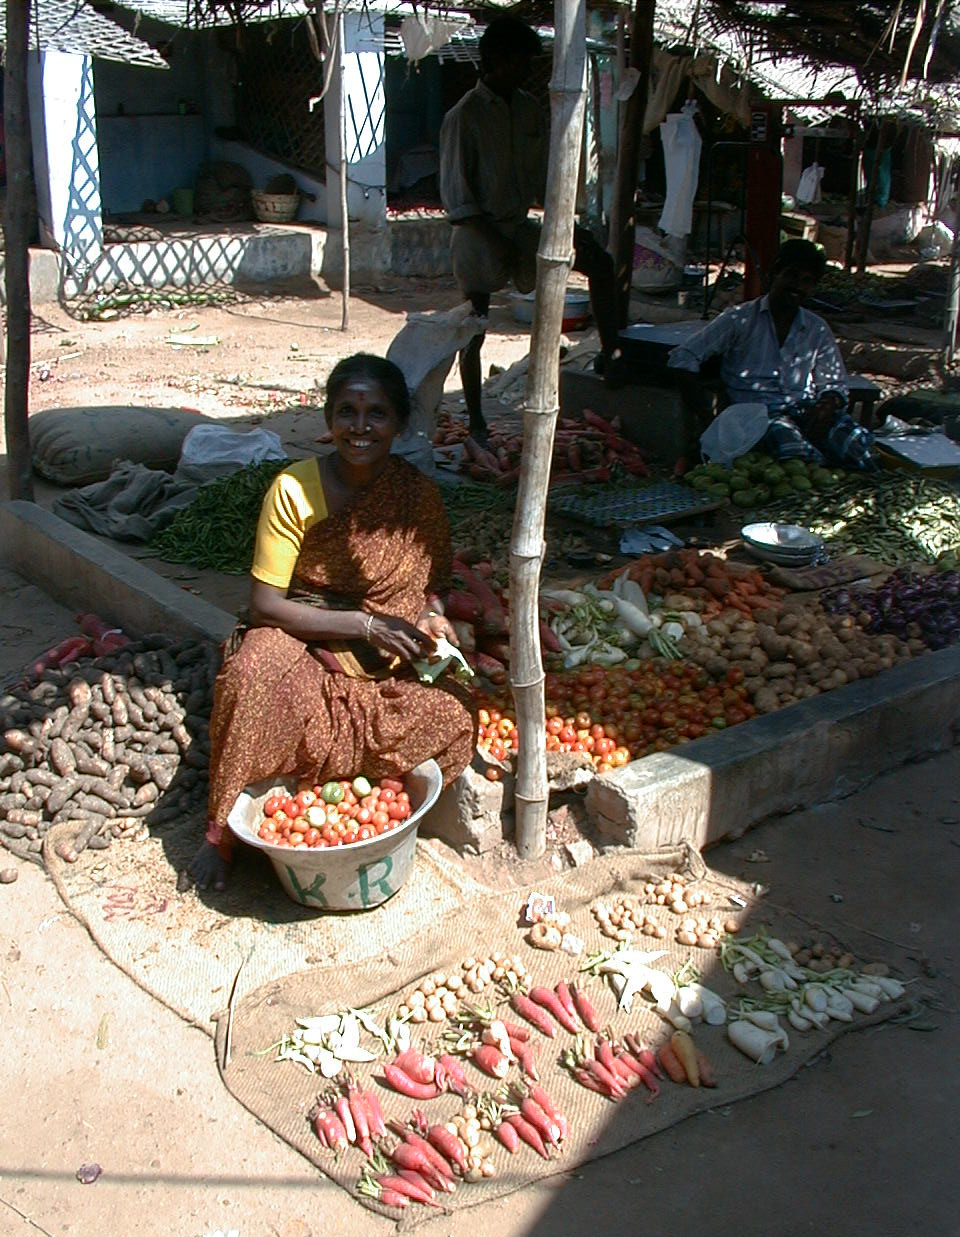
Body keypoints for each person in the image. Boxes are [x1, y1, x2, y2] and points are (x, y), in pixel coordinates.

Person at [188, 354, 476, 891]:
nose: (360, 428)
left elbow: (429, 584)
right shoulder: (293, 490)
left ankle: (328, 780)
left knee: (454, 712)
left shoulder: (417, 496)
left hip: (381, 659)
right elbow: (266, 606)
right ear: (328, 419)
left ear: (399, 423)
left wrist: (431, 619)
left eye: (376, 414)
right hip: (301, 635)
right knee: (252, 674)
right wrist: (366, 626)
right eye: (347, 412)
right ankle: (220, 833)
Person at [439, 14, 624, 442]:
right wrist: (498, 245)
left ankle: (613, 356)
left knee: (599, 259)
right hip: (477, 232)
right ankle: (476, 419)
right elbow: (458, 201)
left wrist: (571, 230)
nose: (525, 70)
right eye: (519, 61)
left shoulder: (528, 109)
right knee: (475, 323)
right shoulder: (463, 117)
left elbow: (545, 181)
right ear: (495, 61)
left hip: (518, 224)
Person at [667, 238, 876, 472]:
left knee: (857, 446)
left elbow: (834, 382)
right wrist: (706, 415)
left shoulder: (816, 328)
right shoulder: (740, 319)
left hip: (803, 410)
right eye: (791, 276)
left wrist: (827, 403)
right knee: (795, 454)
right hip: (755, 415)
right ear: (775, 274)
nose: (797, 286)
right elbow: (682, 357)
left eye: (807, 281)